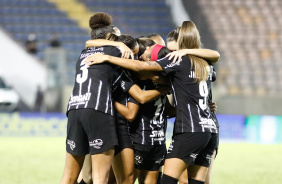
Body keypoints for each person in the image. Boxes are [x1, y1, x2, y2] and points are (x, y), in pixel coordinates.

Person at [84, 20, 219, 184]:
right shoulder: (205, 64)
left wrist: (108, 57)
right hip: (210, 130)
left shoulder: (178, 60)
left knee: (167, 180)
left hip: (189, 129)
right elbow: (215, 54)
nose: (169, 53)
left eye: (171, 50)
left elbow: (142, 69)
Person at [77, 33, 170, 184]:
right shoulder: (128, 73)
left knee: (104, 177)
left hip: (135, 132)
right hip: (117, 127)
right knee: (94, 176)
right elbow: (135, 106)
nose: (136, 59)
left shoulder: (140, 75)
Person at [166, 26, 219, 184]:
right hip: (207, 127)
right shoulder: (201, 64)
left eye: (175, 51)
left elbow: (215, 54)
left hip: (194, 127)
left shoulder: (188, 62)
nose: (173, 55)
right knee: (198, 180)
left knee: (185, 180)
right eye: (169, 52)